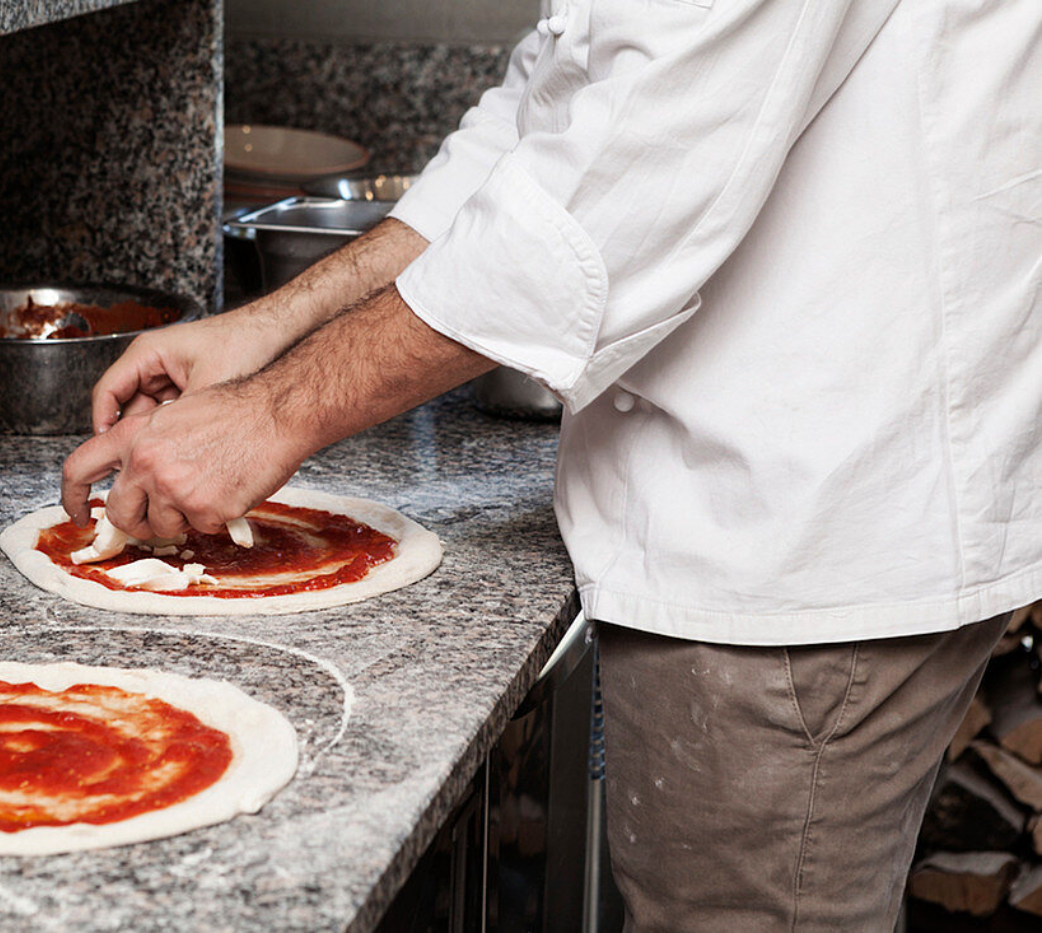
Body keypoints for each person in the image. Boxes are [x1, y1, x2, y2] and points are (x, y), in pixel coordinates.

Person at [61, 0, 1041, 928]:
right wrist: (267, 330)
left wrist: (269, 416)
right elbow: (549, 120)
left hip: (801, 525)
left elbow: (615, 195)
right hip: (779, 493)